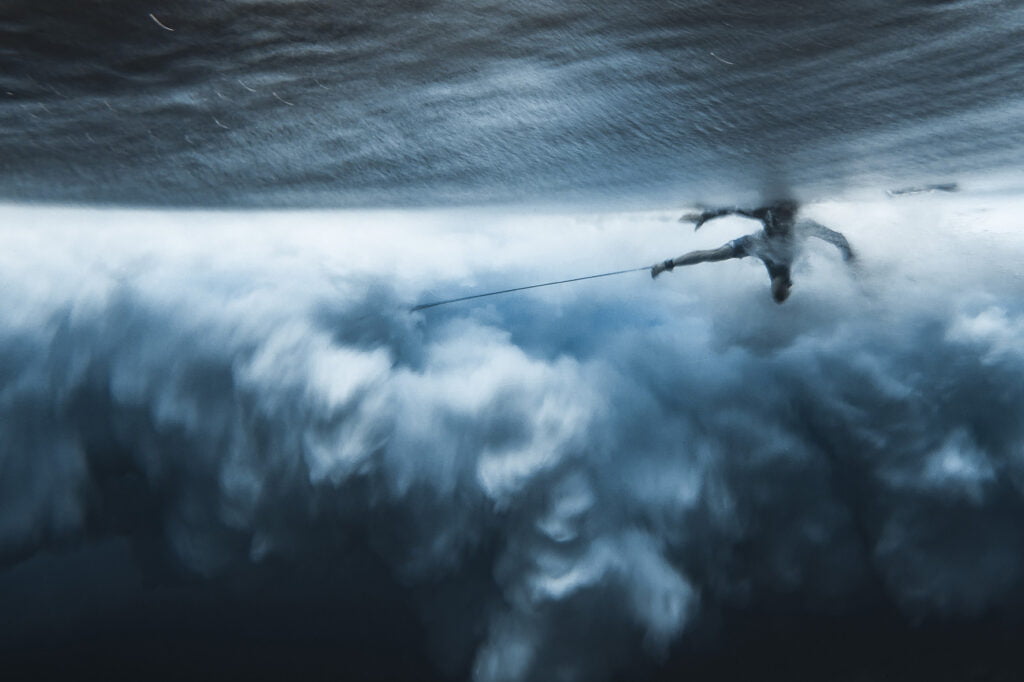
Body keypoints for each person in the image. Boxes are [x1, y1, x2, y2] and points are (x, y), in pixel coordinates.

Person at [650, 200, 854, 303]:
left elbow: (839, 238)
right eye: (781, 216)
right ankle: (666, 264)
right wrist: (706, 216)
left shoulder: (804, 227)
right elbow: (734, 209)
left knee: (779, 297)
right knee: (713, 255)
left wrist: (849, 256)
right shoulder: (768, 217)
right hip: (759, 245)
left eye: (787, 216)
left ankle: (666, 265)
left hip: (769, 253)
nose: (784, 220)